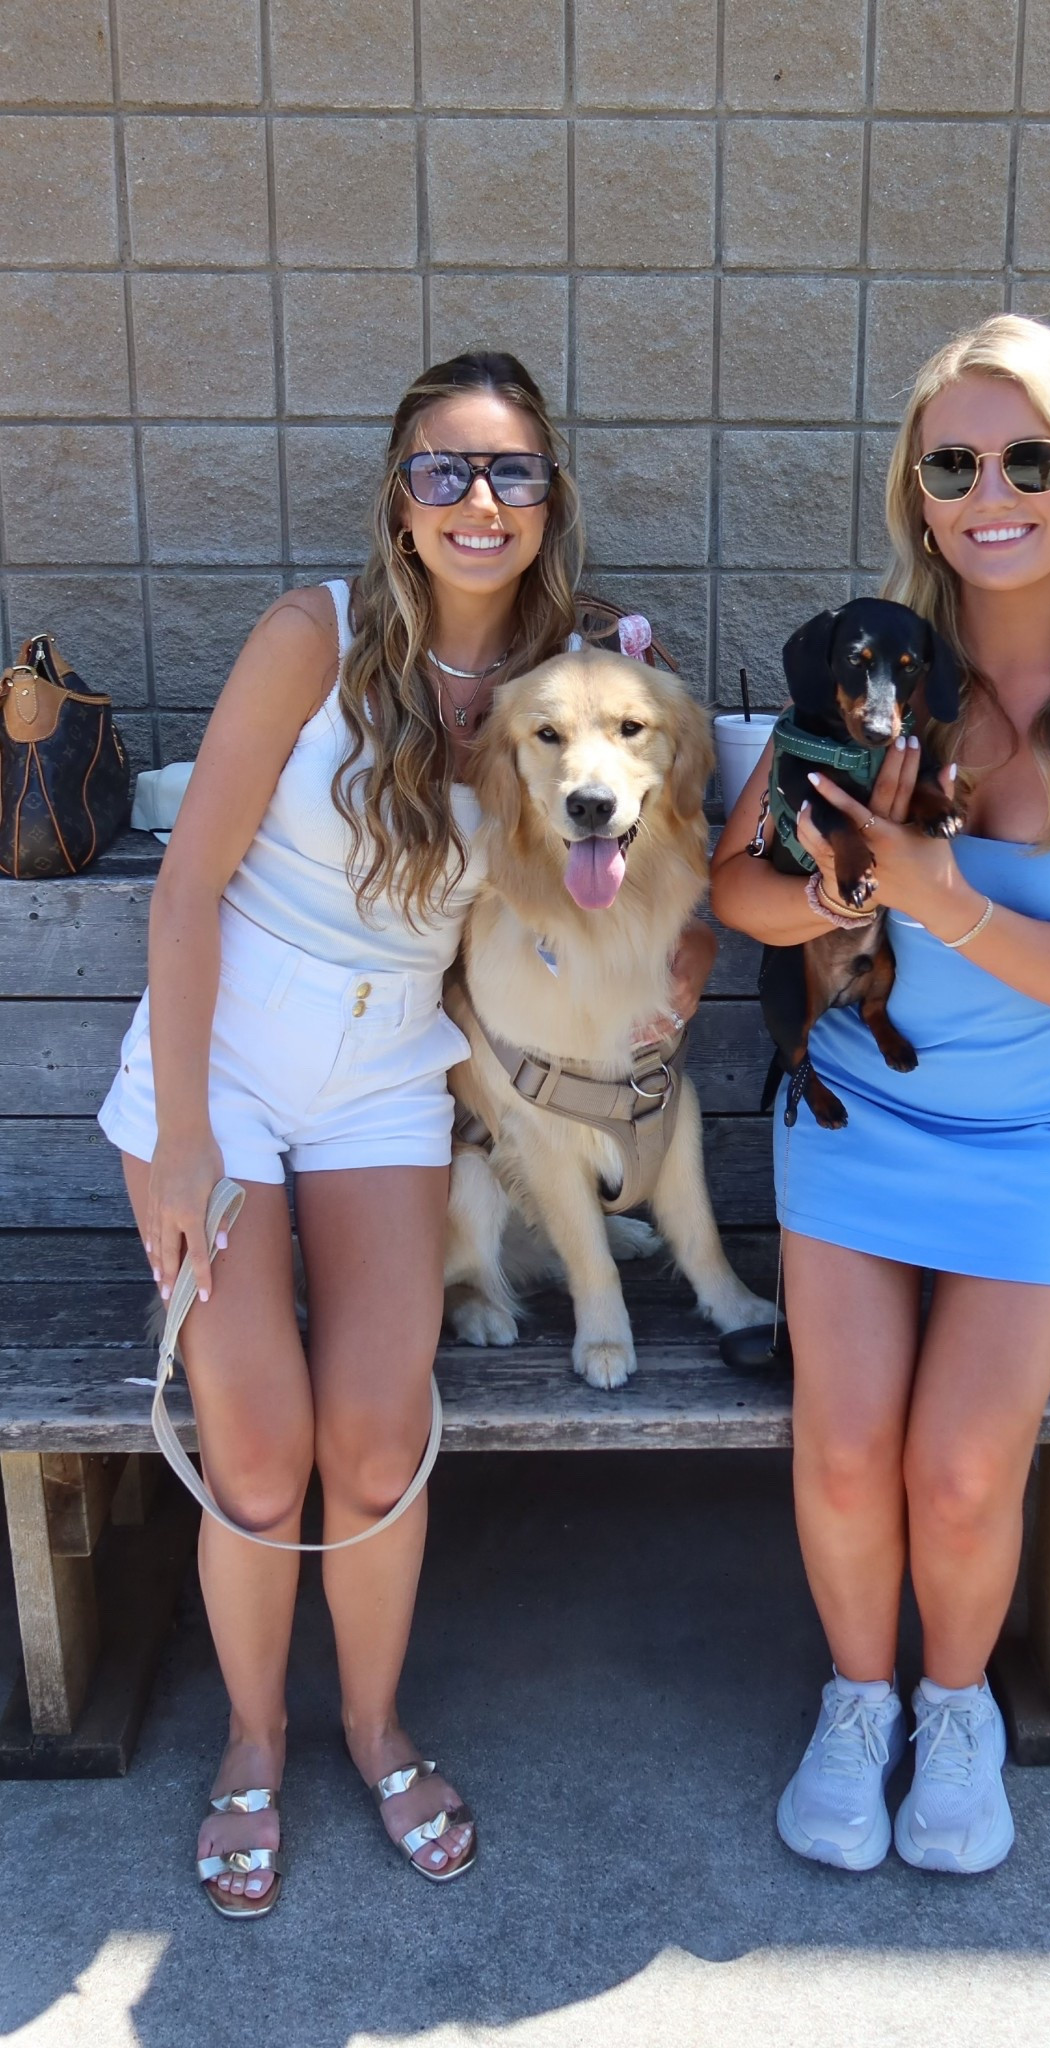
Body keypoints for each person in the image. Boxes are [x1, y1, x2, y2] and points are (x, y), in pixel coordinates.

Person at [98, 350, 714, 1915]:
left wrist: (688, 968)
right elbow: (186, 889)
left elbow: (667, 843)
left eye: (508, 472)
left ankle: (371, 1728)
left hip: (388, 1074)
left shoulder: (569, 690)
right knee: (257, 1442)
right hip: (221, 1067)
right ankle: (250, 1739)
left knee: (375, 1435)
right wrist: (180, 1138)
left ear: (547, 501)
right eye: (445, 470)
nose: (478, 500)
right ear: (400, 497)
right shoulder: (311, 637)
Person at [711, 315, 1050, 1877]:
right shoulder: (870, 671)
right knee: (847, 1443)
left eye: (1022, 458)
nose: (986, 490)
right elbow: (740, 892)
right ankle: (857, 1702)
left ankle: (956, 1705)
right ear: (914, 495)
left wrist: (934, 892)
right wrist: (844, 887)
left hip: (1037, 1141)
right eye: (951, 461)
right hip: (861, 1110)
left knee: (959, 1465)